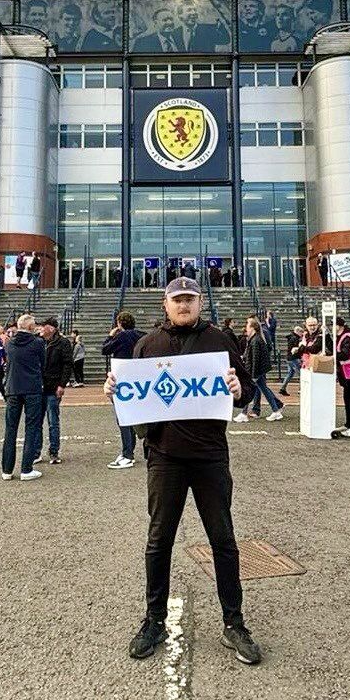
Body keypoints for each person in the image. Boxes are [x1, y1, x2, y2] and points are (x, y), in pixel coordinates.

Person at [104, 277, 259, 666]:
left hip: (210, 454)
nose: (184, 305)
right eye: (178, 300)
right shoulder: (146, 345)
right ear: (165, 304)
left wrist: (240, 389)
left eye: (190, 299)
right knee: (159, 541)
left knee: (223, 541)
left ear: (201, 303)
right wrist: (114, 389)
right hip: (165, 457)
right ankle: (154, 620)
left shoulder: (221, 342)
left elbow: (249, 388)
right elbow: (132, 396)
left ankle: (234, 622)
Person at [2, 314, 47, 481]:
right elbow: (43, 363)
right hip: (32, 388)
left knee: (10, 429)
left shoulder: (9, 343)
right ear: (30, 327)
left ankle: (7, 469)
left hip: (13, 388)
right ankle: (26, 469)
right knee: (31, 427)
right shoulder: (37, 343)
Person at [102, 311, 143, 469]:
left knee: (123, 418)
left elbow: (105, 349)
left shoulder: (121, 336)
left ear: (120, 323)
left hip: (123, 380)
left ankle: (128, 454)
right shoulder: (142, 335)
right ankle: (129, 451)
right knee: (131, 417)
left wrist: (111, 336)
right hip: (138, 379)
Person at [40, 316, 71, 465]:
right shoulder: (38, 342)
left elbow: (67, 364)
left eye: (43, 326)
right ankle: (35, 452)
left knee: (53, 421)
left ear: (51, 328)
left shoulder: (63, 343)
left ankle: (54, 451)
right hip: (38, 386)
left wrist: (62, 384)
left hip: (53, 386)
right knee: (36, 421)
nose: (40, 329)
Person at [243, 316, 284, 422]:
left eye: (247, 325)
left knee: (250, 389)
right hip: (258, 370)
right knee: (264, 389)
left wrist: (253, 374)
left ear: (252, 327)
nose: (245, 327)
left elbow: (255, 358)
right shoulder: (255, 338)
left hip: (257, 370)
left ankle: (244, 413)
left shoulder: (256, 339)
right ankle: (276, 409)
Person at [278, 325, 303, 396]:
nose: (301, 334)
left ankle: (283, 388)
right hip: (293, 359)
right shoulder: (295, 338)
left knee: (290, 374)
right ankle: (301, 389)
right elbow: (296, 349)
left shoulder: (291, 337)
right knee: (301, 374)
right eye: (301, 332)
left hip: (289, 358)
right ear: (298, 331)